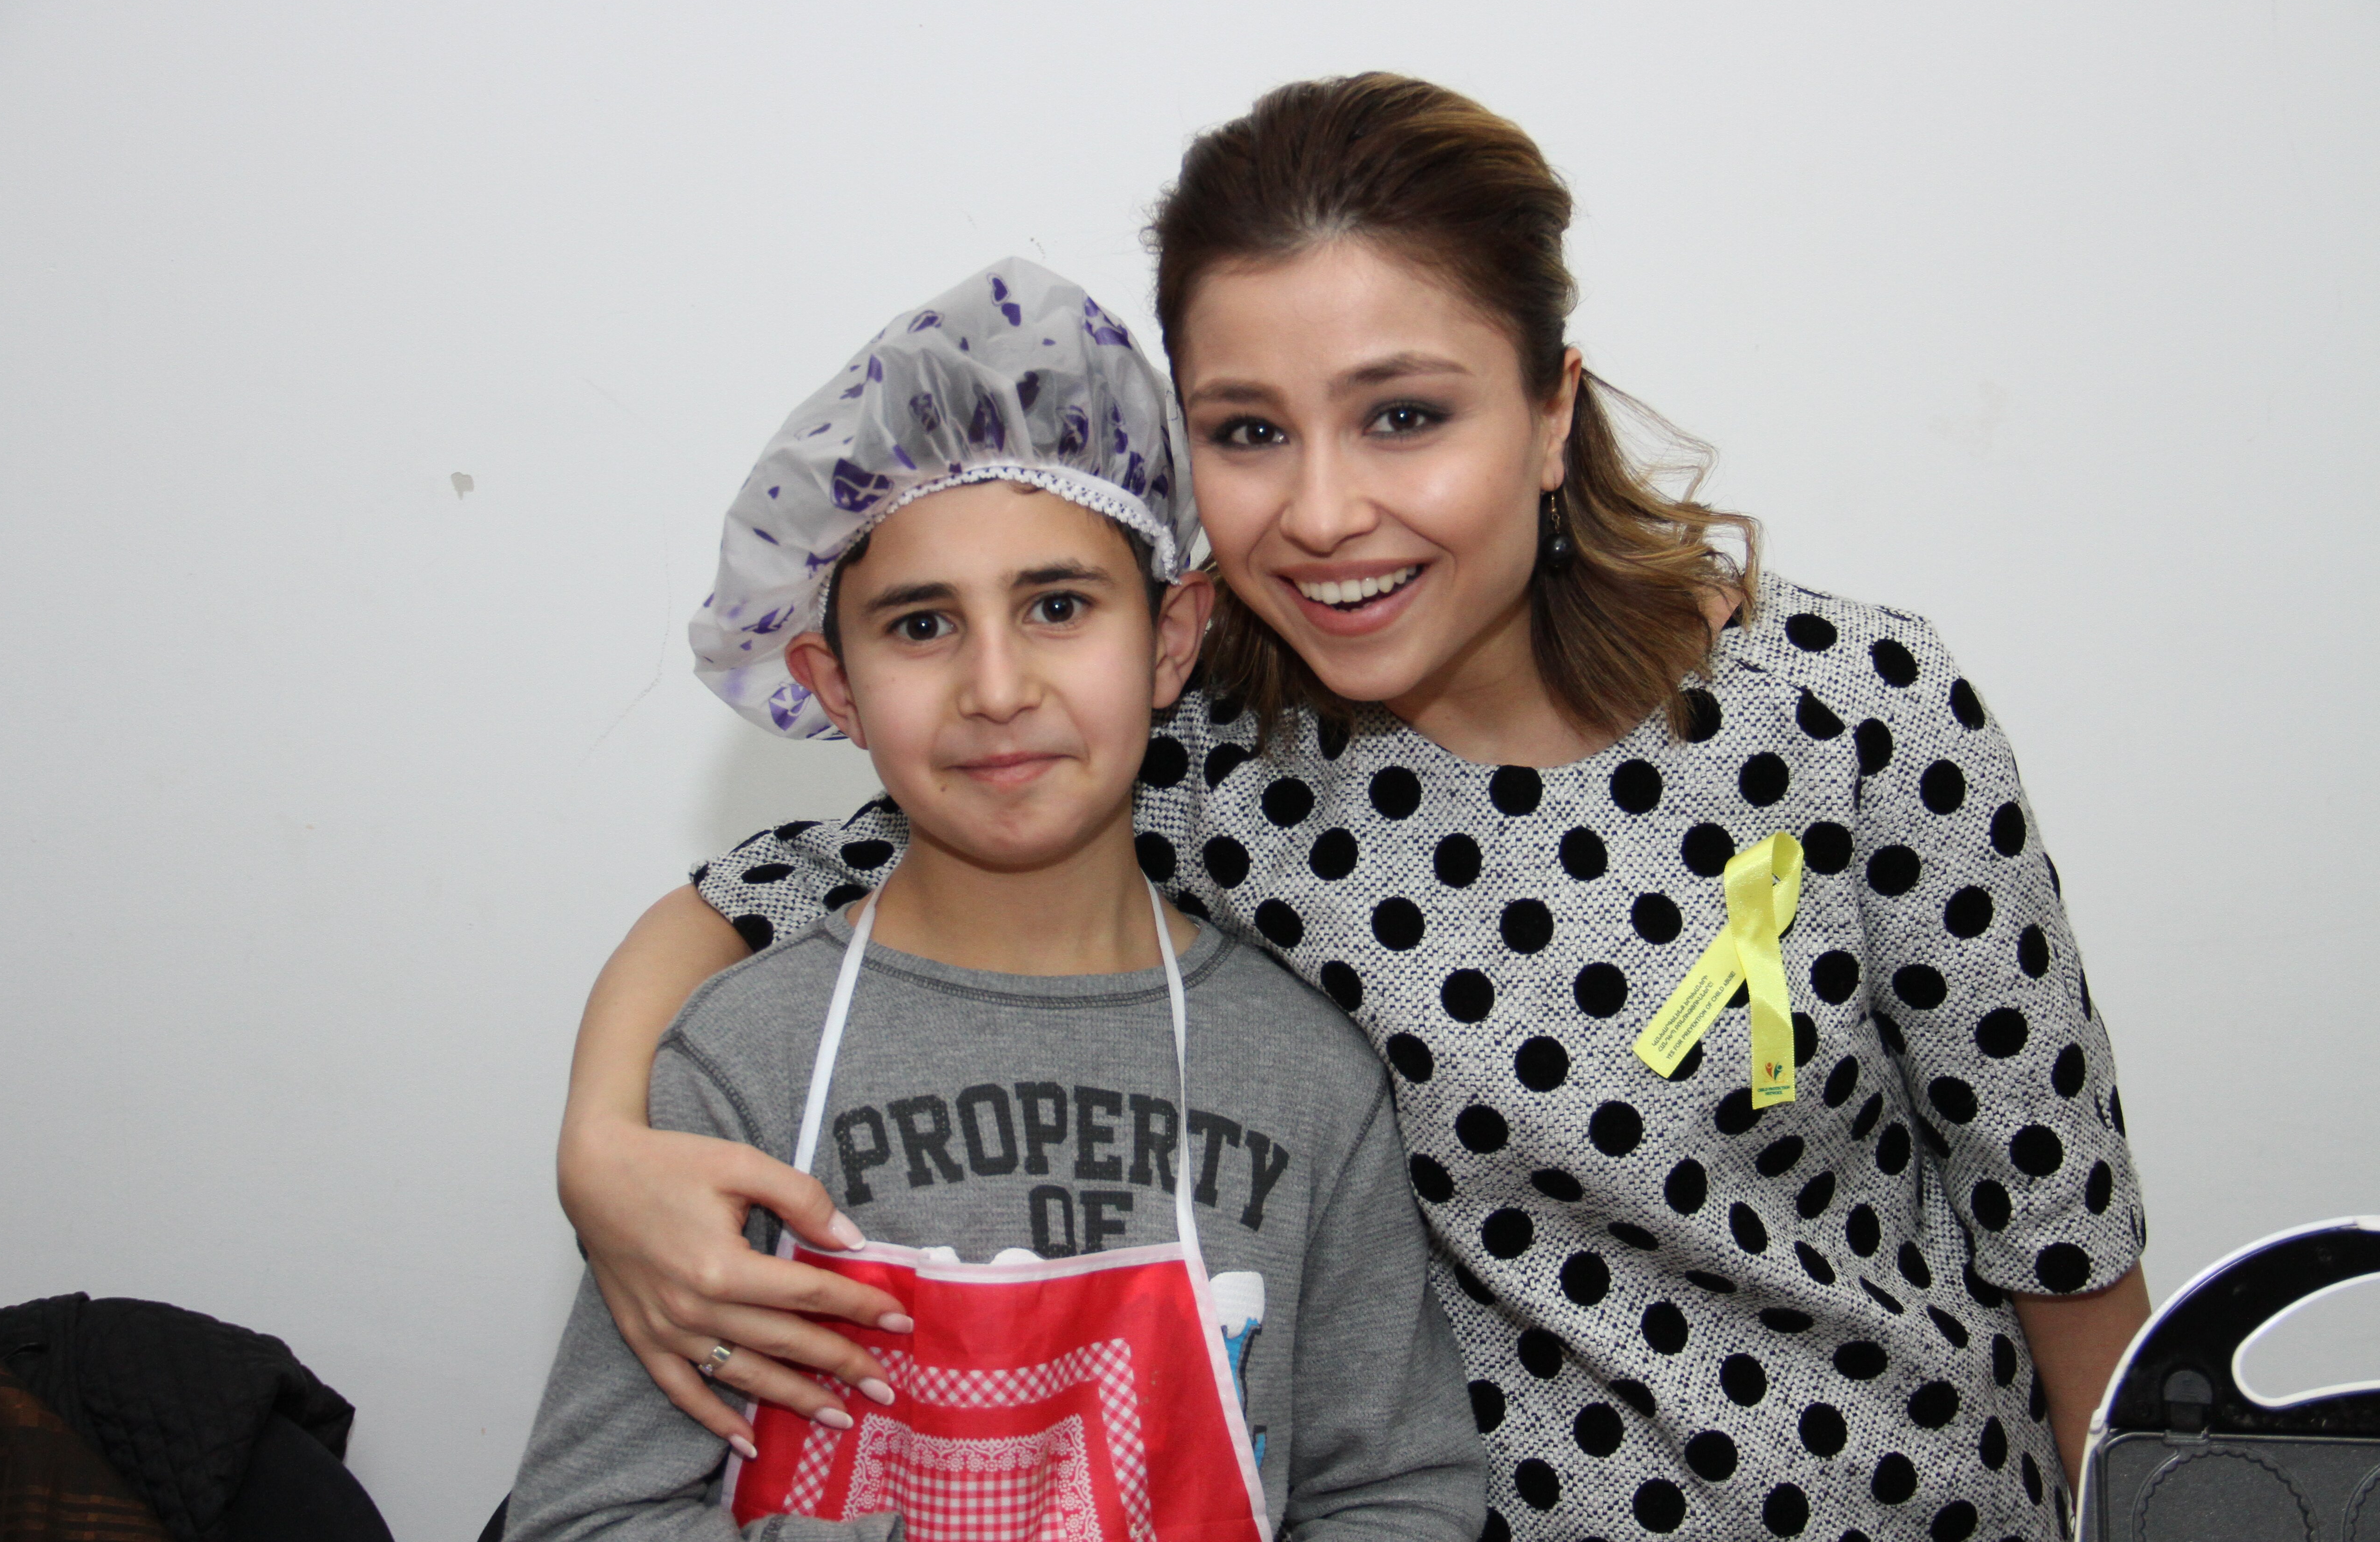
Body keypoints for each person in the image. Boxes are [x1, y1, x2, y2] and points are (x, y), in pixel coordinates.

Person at [557, 78, 2151, 1541]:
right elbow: (748, 906)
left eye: (1404, 415)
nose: (1323, 514)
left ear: (1549, 413)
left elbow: (2063, 1242)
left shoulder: (1851, 710)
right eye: (1249, 432)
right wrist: (605, 1149)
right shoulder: (1195, 752)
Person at [506, 259, 1485, 1542]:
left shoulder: (1307, 1075)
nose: (998, 689)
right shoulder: (740, 1065)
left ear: (1171, 640)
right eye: (922, 627)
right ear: (836, 685)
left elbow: (1399, 1496)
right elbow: (586, 1519)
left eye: (1058, 607)